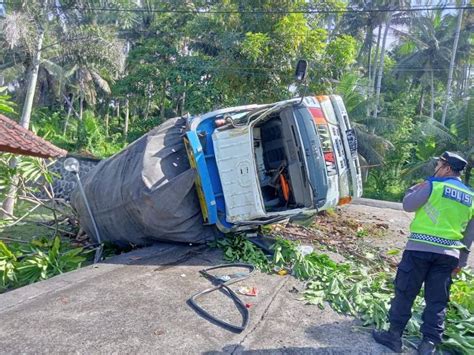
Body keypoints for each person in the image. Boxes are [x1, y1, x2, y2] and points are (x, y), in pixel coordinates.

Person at [372, 151, 474, 355]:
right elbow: (469, 234)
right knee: (437, 300)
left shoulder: (432, 185)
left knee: (405, 293)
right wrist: (461, 262)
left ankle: (394, 337)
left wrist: (415, 187)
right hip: (449, 255)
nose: (436, 166)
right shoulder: (471, 197)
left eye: (439, 164)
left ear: (446, 168)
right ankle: (428, 345)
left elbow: (408, 205)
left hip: (419, 249)